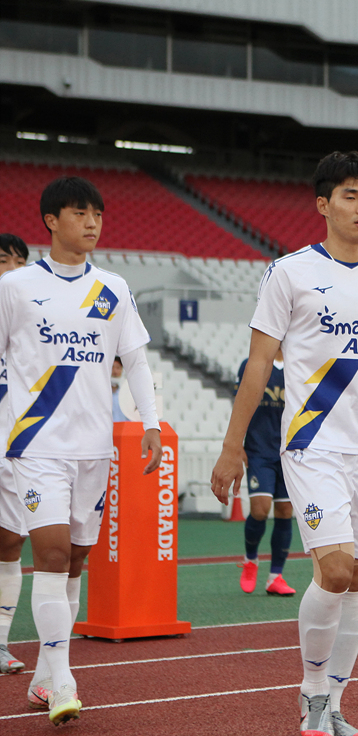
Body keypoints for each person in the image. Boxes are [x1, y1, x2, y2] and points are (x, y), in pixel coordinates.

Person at [210, 152, 358, 736]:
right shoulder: (288, 273)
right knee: (336, 570)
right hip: (311, 445)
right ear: (323, 204)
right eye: (350, 195)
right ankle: (313, 691)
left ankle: (335, 703)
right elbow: (258, 364)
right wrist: (232, 446)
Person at [0, 180, 162, 725]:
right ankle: (65, 681)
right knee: (49, 554)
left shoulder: (113, 287)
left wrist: (149, 422)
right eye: (79, 213)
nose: (92, 222)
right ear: (51, 220)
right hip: (35, 444)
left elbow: (135, 360)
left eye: (97, 214)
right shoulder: (16, 287)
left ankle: (44, 678)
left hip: (94, 448)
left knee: (74, 560)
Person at [237, 348, 297, 597]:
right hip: (258, 450)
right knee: (260, 510)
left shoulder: (298, 366)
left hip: (290, 451)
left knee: (285, 511)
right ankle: (250, 559)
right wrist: (237, 443)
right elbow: (241, 404)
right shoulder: (251, 364)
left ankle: (275, 576)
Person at [0, 233, 29, 675]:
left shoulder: (37, 323)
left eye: (16, 263)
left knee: (10, 542)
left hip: (15, 447)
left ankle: (1, 640)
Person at [110, 356, 128, 422]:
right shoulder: (101, 393)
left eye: (118, 368)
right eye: (112, 367)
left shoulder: (126, 394)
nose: (115, 371)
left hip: (123, 427)